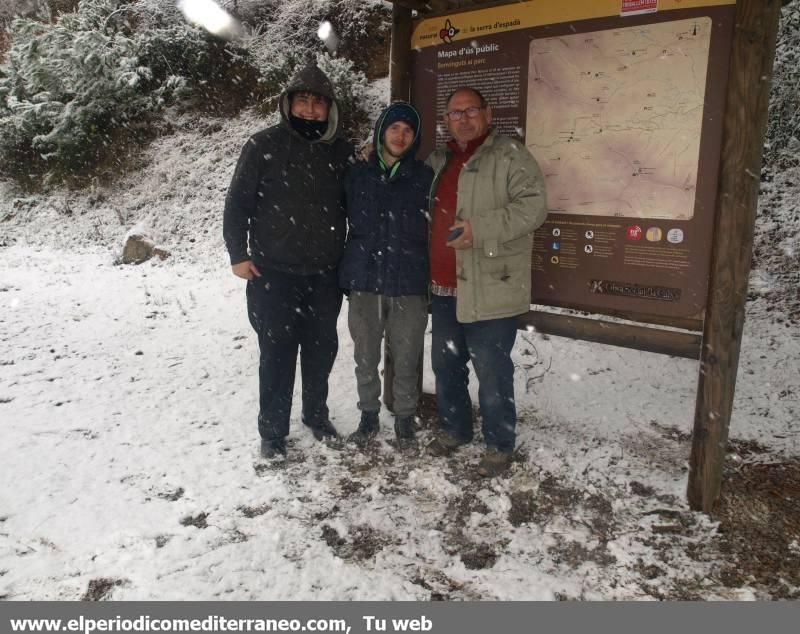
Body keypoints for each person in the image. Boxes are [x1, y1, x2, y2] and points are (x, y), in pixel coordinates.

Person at [223, 63, 353, 460]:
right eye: (303, 101)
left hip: (325, 274)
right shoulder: (262, 146)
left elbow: (358, 203)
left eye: (318, 103)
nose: (310, 110)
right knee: (277, 354)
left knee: (320, 351)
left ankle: (316, 415)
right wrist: (238, 254)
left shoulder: (341, 151)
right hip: (272, 274)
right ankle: (273, 431)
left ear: (328, 109)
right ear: (288, 104)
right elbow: (238, 203)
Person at [425, 87, 548, 476]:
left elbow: (533, 207)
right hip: (443, 289)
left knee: (492, 370)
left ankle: (499, 444)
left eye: (470, 110)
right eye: (454, 113)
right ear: (446, 120)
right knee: (446, 365)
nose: (462, 118)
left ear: (488, 114)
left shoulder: (510, 155)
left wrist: (479, 229)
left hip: (490, 287)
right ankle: (455, 430)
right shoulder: (439, 159)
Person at [339, 102, 433, 450]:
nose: (400, 135)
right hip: (365, 280)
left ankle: (405, 417)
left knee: (407, 355)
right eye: (394, 128)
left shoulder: (424, 176)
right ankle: (368, 415)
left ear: (414, 137)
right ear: (381, 132)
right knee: (365, 354)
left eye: (408, 130)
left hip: (409, 282)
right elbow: (338, 217)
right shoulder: (357, 173)